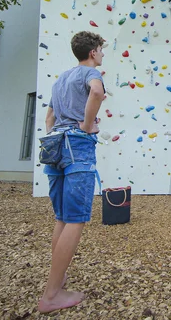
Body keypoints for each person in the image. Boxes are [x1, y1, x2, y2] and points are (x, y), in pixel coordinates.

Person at [38, 31, 106, 314]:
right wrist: (87, 125)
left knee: (62, 217)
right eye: (101, 50)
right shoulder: (92, 74)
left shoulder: (60, 80)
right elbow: (97, 93)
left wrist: (59, 136)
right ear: (93, 52)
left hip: (55, 146)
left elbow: (50, 118)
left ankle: (58, 276)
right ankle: (52, 295)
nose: (102, 55)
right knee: (76, 219)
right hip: (77, 147)